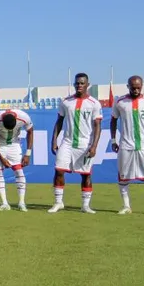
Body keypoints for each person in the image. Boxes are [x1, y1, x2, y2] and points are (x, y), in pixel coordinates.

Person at [49, 72, 101, 214]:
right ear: (74, 84)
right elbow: (59, 122)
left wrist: (94, 146)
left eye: (82, 83)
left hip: (85, 144)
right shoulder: (66, 102)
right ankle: (58, 203)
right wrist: (54, 140)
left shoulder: (94, 103)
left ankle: (85, 205)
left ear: (87, 85)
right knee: (59, 170)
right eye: (77, 83)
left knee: (86, 174)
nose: (79, 85)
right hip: (67, 142)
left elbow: (97, 126)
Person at [111, 75, 144, 215]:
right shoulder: (120, 102)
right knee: (123, 176)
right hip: (126, 147)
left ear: (142, 87)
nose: (136, 90)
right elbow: (113, 121)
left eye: (138, 88)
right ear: (128, 86)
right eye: (133, 87)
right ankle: (126, 206)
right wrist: (113, 140)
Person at [0, 108, 34, 211]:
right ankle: (4, 203)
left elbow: (30, 132)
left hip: (14, 144)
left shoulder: (24, 117)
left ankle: (22, 202)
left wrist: (28, 154)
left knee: (19, 170)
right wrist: (2, 158)